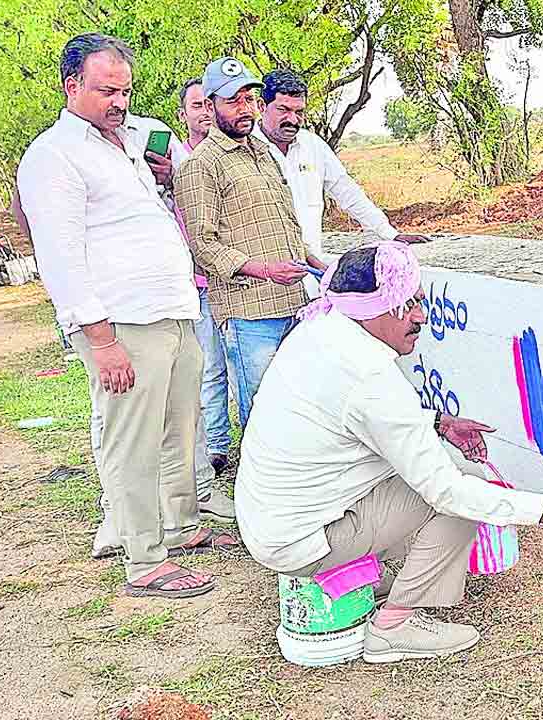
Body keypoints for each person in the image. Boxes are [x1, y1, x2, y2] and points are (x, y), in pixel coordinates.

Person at [235, 241, 543, 663]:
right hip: (301, 540)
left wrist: (439, 424)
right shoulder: (370, 377)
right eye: (409, 303)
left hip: (273, 522)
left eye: (420, 300)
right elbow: (447, 492)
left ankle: (376, 575)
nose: (421, 315)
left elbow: (357, 418)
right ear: (376, 308)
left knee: (420, 479)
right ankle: (394, 627)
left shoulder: (324, 330)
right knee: (463, 495)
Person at [17, 33, 237, 599]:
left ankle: (181, 528)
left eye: (125, 90)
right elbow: (60, 256)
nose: (118, 101)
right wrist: (100, 337)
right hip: (122, 324)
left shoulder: (132, 141)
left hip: (174, 311)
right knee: (131, 443)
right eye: (106, 90)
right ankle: (145, 562)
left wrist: (159, 168)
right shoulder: (53, 156)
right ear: (72, 87)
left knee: (178, 431)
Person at [173, 57, 323, 429]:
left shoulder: (262, 154)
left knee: (300, 404)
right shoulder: (200, 165)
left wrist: (319, 265)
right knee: (263, 413)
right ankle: (263, 486)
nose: (245, 109)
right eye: (232, 101)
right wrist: (265, 270)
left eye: (249, 99)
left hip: (294, 302)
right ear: (209, 107)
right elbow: (203, 247)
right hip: (249, 312)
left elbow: (285, 226)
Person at [254, 68, 428, 257]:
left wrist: (390, 235)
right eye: (283, 110)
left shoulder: (312, 146)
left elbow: (347, 192)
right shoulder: (243, 149)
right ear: (261, 106)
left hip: (309, 269)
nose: (293, 120)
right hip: (261, 274)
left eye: (299, 112)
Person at [171, 77, 234, 477]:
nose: (205, 113)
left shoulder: (234, 156)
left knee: (242, 364)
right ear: (184, 115)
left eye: (208, 104)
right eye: (196, 106)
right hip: (198, 286)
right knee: (210, 367)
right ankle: (217, 446)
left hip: (239, 279)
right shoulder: (172, 164)